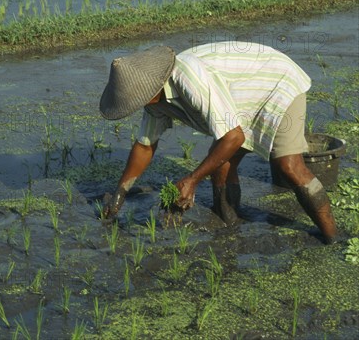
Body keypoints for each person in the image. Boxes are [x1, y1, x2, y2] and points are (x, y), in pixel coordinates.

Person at [99, 41, 338, 244]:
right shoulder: (154, 103)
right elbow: (144, 146)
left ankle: (332, 237)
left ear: (148, 90)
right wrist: (120, 194)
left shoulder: (189, 78)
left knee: (289, 166)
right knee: (221, 165)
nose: (135, 106)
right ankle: (231, 226)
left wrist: (192, 179)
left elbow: (234, 137)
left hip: (276, 82)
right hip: (241, 98)